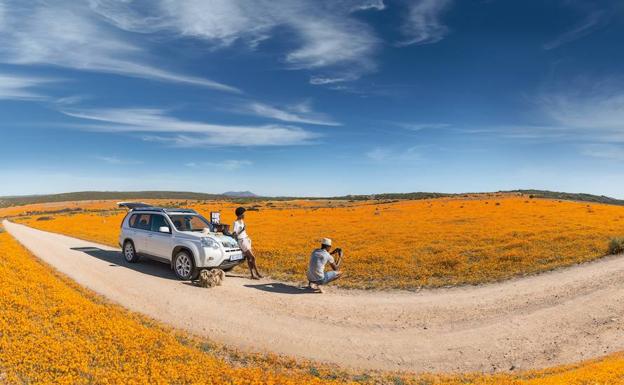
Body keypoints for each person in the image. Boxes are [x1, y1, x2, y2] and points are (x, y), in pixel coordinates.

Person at [231, 206, 263, 280]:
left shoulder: (242, 221)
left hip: (246, 239)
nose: (244, 215)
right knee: (253, 257)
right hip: (242, 241)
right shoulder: (235, 223)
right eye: (243, 214)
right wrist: (242, 230)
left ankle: (252, 275)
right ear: (240, 214)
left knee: (249, 258)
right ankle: (257, 273)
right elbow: (234, 234)